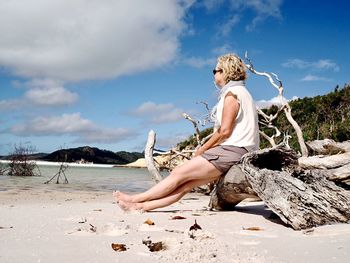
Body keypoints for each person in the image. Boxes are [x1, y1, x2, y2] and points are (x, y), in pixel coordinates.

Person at [114, 53, 259, 211]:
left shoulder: (232, 94)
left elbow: (224, 131)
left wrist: (203, 149)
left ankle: (134, 199)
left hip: (233, 150)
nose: (214, 74)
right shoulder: (243, 92)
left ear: (225, 71)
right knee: (187, 183)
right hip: (241, 151)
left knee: (178, 172)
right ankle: (140, 206)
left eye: (215, 71)